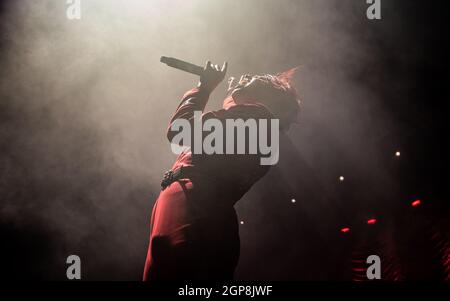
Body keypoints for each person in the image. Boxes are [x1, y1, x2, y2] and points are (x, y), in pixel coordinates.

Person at [143, 61, 300, 280]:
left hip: (196, 203)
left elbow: (180, 131)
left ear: (266, 95)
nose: (244, 75)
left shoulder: (257, 116)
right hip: (195, 202)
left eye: (255, 78)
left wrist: (203, 87)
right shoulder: (257, 125)